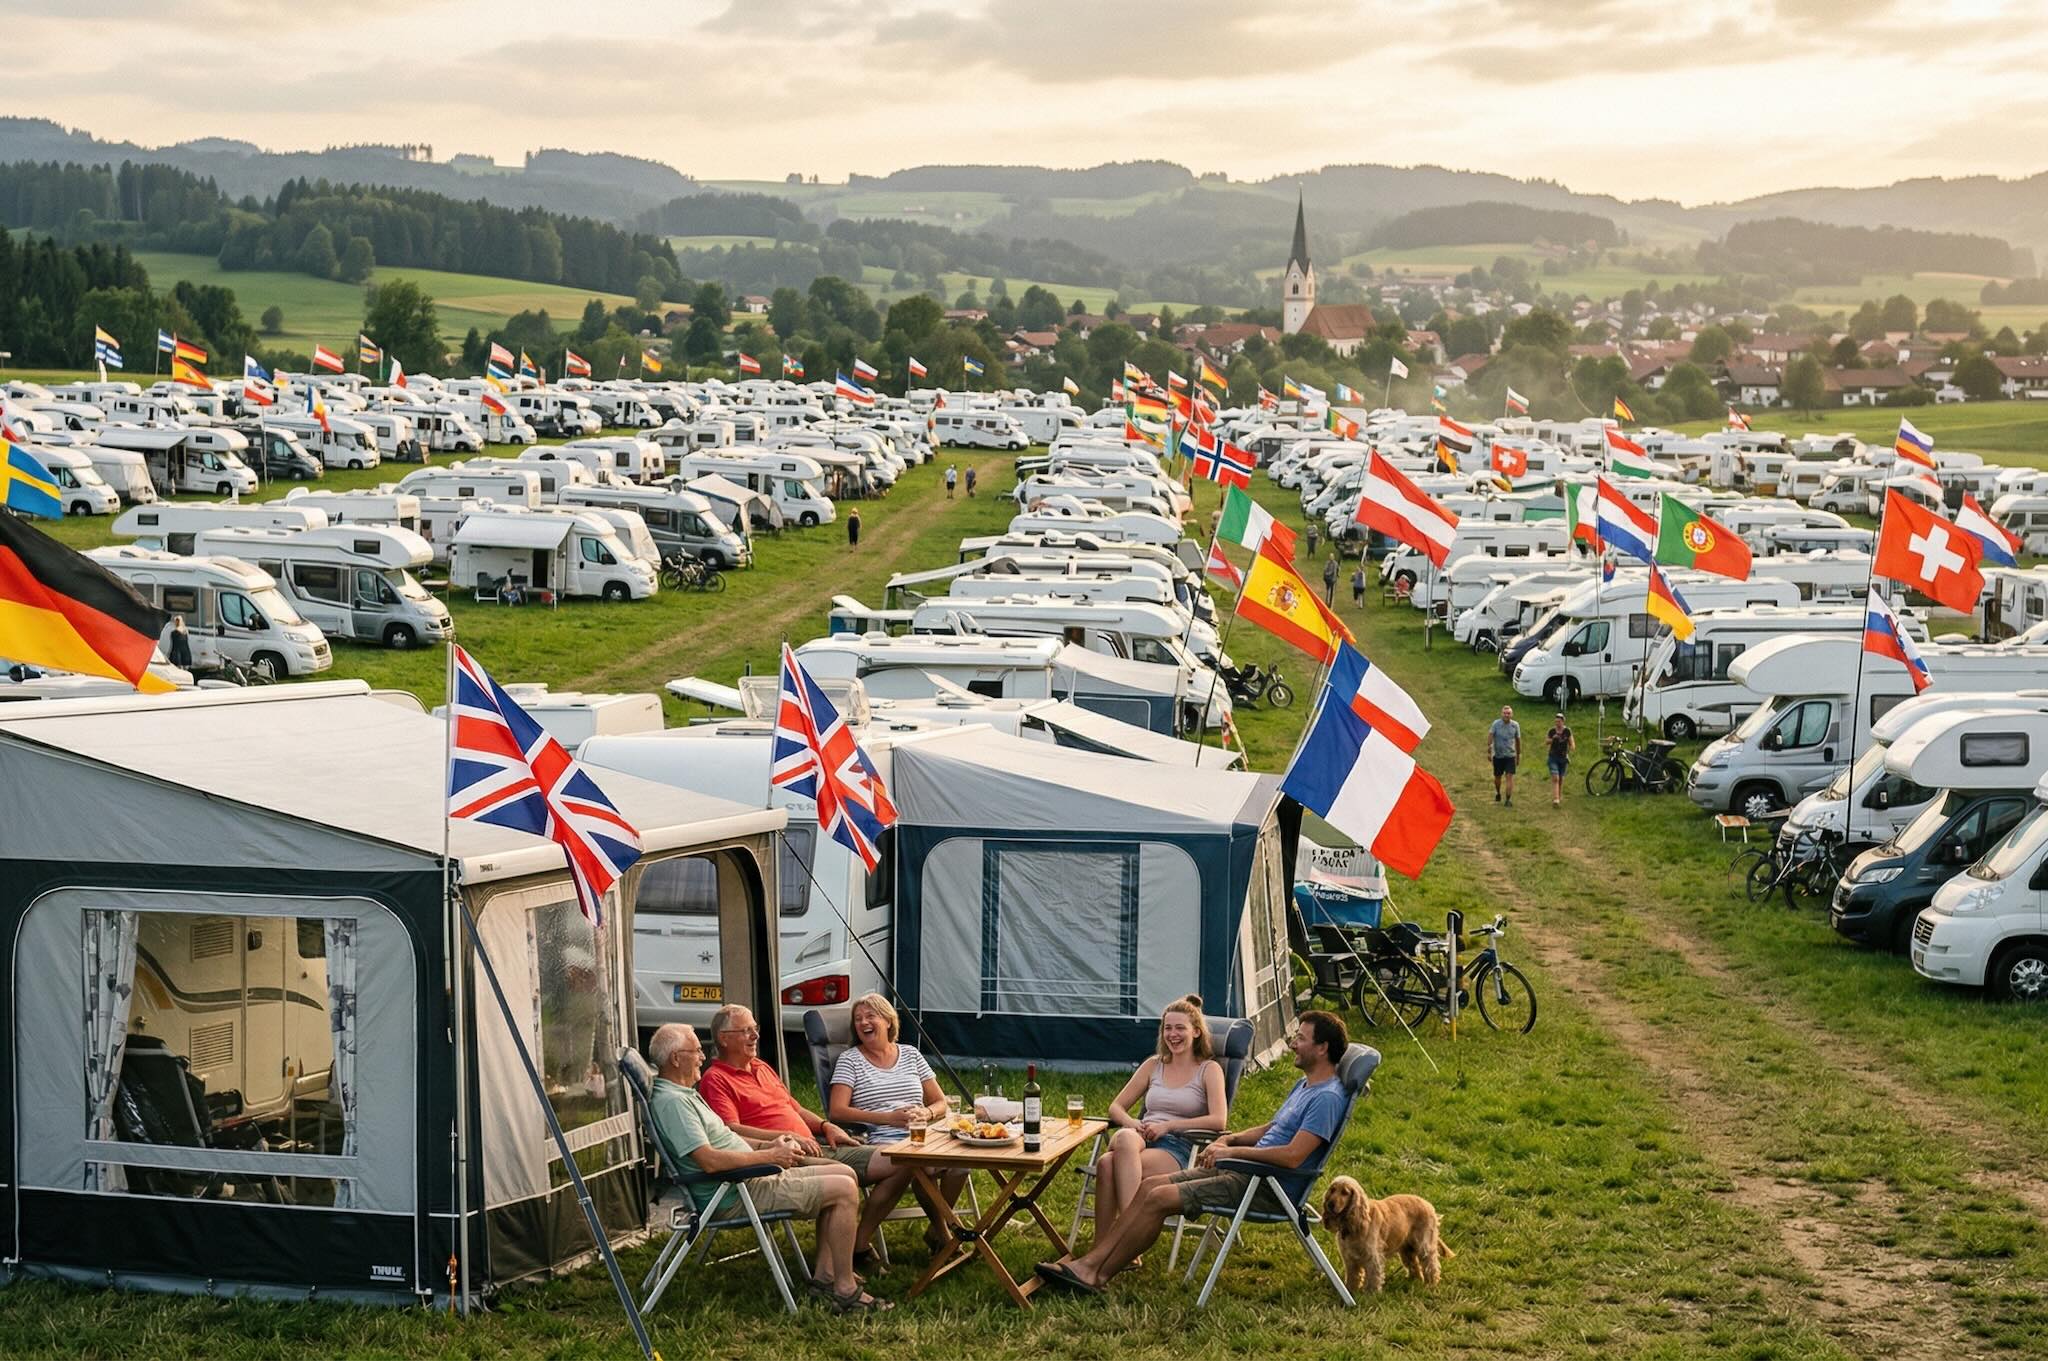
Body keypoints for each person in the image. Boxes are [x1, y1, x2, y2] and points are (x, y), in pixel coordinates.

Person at [1036, 1011, 1351, 1293]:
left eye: (1301, 1038)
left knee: (1158, 1199)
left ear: (1322, 1048)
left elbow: (1293, 1157)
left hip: (1266, 1186)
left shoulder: (1327, 1098)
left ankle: (1094, 1274)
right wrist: (1231, 1140)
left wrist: (1235, 1155)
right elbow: (1272, 1128)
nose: (1293, 1043)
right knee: (1149, 1186)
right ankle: (1091, 1264)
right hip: (1244, 1173)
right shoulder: (1305, 1086)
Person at [645, 1023, 890, 1312]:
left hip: (745, 1179)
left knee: (846, 1173)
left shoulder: (683, 1094)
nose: (702, 1056)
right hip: (734, 1192)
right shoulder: (674, 1103)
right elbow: (709, 1161)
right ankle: (844, 1289)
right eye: (696, 1050)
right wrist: (770, 1157)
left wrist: (768, 1146)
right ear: (676, 1059)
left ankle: (825, 1276)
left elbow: (728, 1138)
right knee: (844, 1188)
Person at [827, 993, 963, 1261]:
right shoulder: (850, 1060)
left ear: (888, 1021)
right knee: (913, 1163)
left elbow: (940, 1102)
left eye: (870, 1016)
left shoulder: (911, 1054)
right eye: (858, 1019)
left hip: (922, 1133)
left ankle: (939, 1232)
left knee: (962, 1164)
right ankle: (940, 1236)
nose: (863, 1023)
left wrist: (925, 1111)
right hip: (882, 1138)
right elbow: (837, 1110)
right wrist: (889, 1118)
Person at [1093, 996, 1226, 1243]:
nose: (1172, 1034)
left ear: (1196, 1032)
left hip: (1180, 1145)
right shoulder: (1154, 1065)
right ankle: (1122, 1242)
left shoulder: (1209, 1070)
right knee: (1123, 1136)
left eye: (1180, 1028)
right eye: (1167, 1028)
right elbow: (1116, 1107)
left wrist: (1168, 1126)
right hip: (1140, 1138)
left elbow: (1219, 1120)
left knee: (1106, 1165)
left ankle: (1111, 1244)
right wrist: (1133, 1123)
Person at [1489, 704, 1521, 806]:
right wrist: (1489, 750)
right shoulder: (1496, 724)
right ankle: (1498, 792)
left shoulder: (1515, 725)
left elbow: (1518, 740)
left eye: (1508, 713)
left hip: (1510, 755)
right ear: (1501, 714)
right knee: (1497, 777)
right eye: (1505, 713)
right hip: (1498, 755)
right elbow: (1490, 736)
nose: (1506, 715)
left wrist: (1518, 755)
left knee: (1509, 776)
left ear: (1512, 715)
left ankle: (1508, 799)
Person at [1546, 712, 1576, 807]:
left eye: (1559, 722)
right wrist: (1552, 739)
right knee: (1556, 778)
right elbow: (1546, 741)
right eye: (1556, 722)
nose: (1557, 723)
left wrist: (1571, 748)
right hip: (1553, 757)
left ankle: (1558, 796)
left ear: (1563, 722)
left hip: (1563, 758)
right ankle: (1556, 799)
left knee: (1561, 779)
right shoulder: (1552, 731)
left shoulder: (1567, 731)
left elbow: (1572, 743)